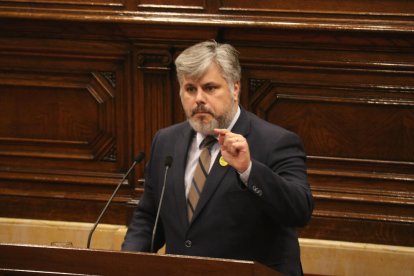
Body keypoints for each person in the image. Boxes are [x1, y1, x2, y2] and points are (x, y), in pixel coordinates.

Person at [122, 40, 314, 275]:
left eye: (210, 88)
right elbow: (149, 217)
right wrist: (127, 263)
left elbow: (299, 211)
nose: (199, 99)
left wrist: (249, 171)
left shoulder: (275, 141)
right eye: (190, 89)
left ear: (235, 88)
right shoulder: (166, 141)